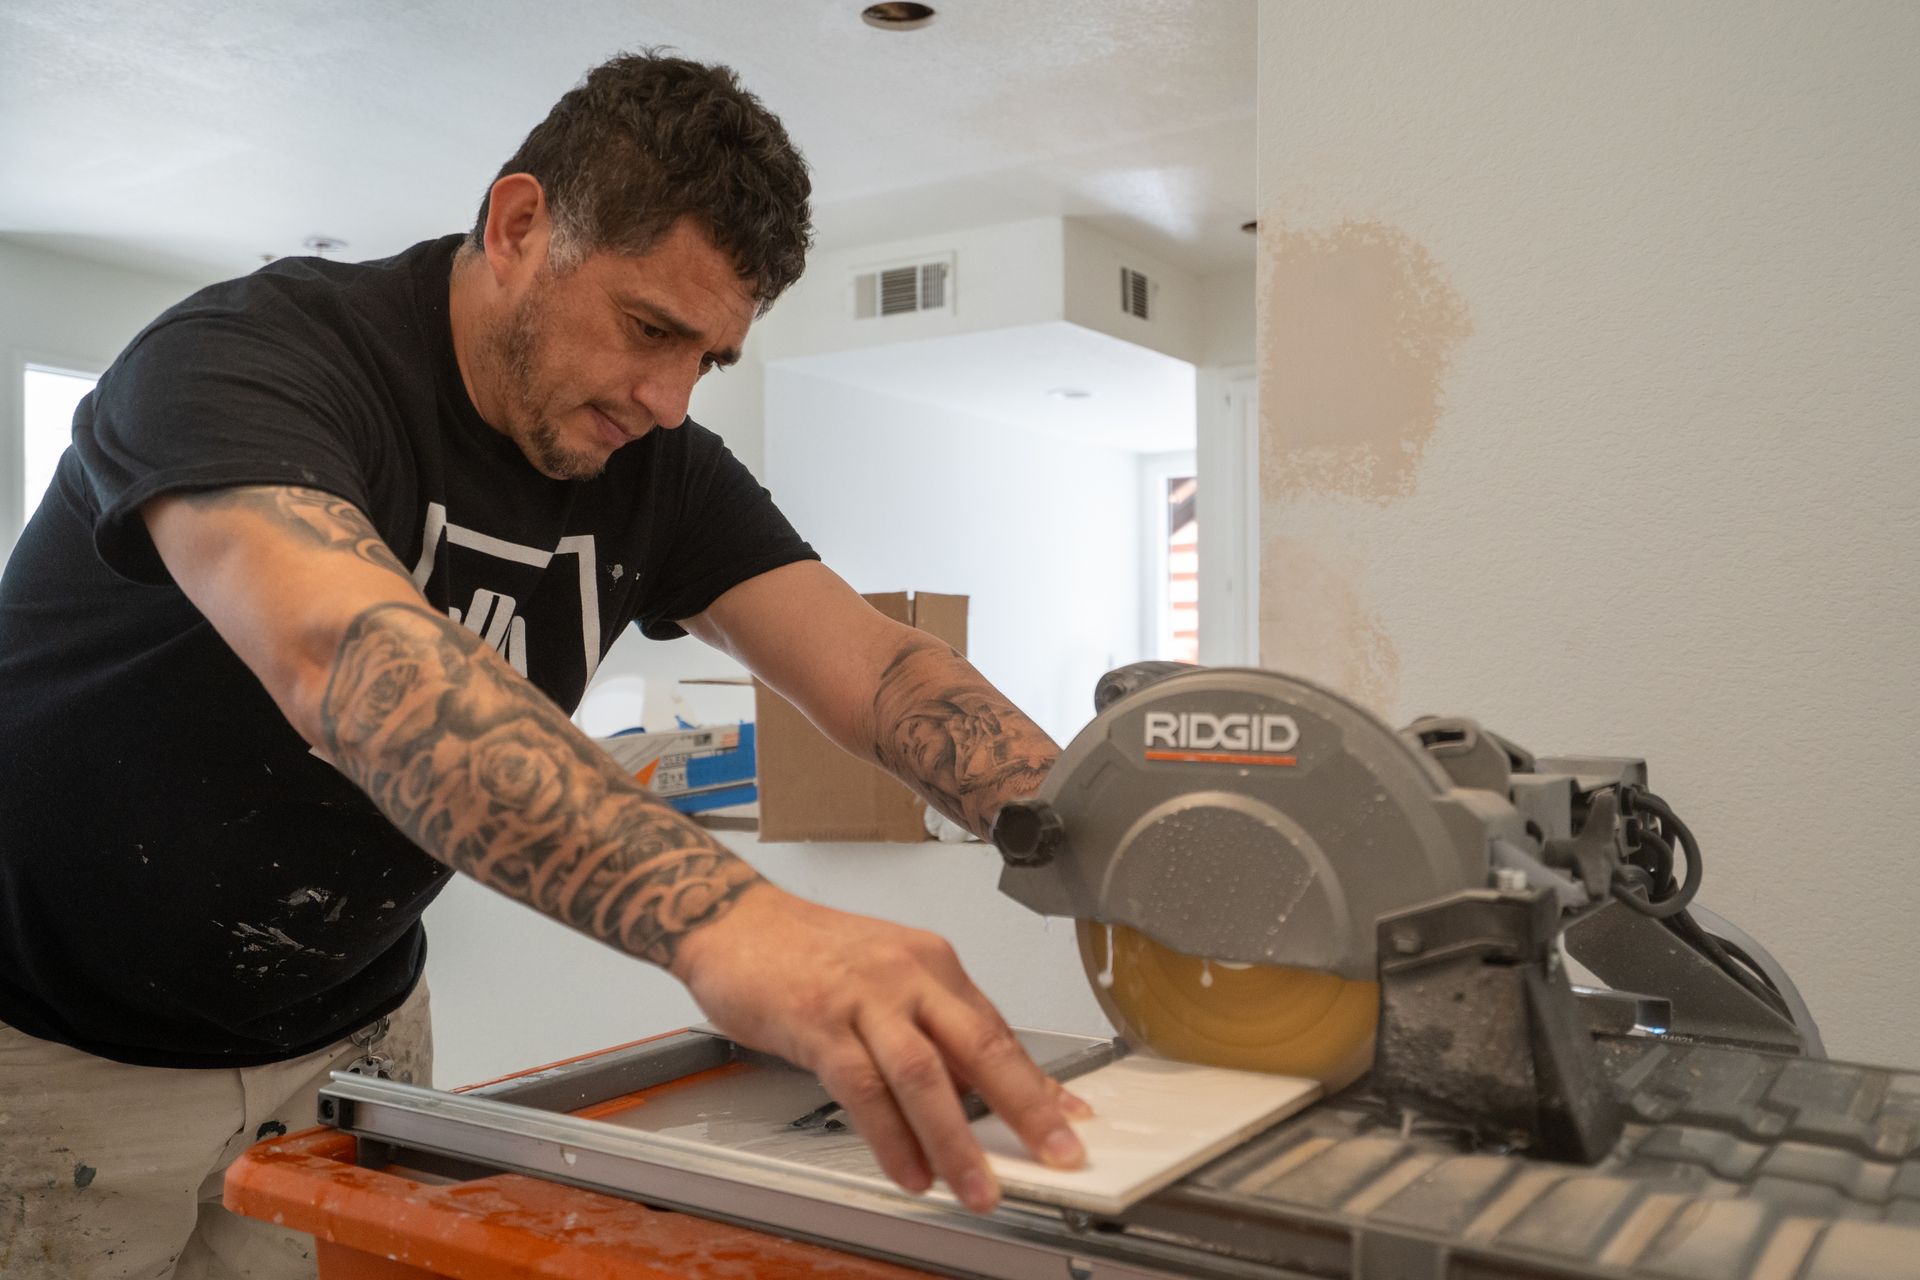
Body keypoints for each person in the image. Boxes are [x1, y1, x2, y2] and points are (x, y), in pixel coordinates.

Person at [0, 50, 1088, 1278]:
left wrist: (1092, 827)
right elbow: (345, 653)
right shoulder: (248, 359)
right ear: (520, 225)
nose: (672, 399)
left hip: (346, 1030)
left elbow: (882, 672)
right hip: (52, 1042)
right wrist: (729, 919)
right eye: (649, 330)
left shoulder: (654, 466)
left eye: (709, 360)